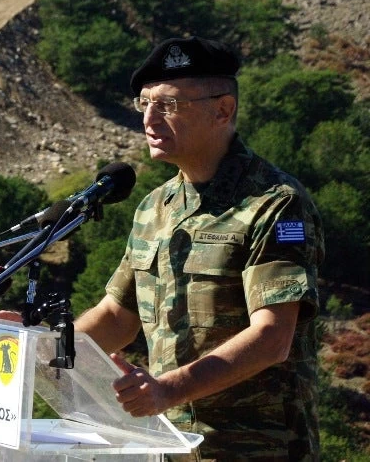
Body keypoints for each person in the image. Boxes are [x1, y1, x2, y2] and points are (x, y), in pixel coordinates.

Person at [75, 36, 323, 461]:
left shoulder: (275, 203)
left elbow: (272, 337)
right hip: (171, 445)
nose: (150, 119)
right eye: (145, 103)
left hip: (256, 448)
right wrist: (34, 346)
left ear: (222, 109)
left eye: (169, 105)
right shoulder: (155, 208)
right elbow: (117, 317)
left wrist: (166, 389)